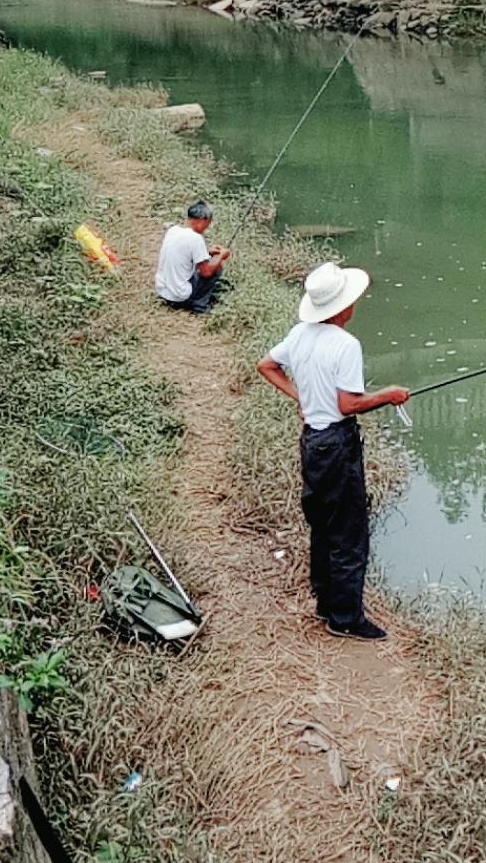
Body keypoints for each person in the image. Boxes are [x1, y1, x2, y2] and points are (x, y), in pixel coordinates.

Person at [257, 261, 409, 641]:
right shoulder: (346, 345)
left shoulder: (299, 334)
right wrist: (388, 396)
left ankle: (325, 597)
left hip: (312, 441)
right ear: (342, 308)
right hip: (337, 444)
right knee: (349, 530)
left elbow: (267, 365)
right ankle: (344, 617)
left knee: (323, 521)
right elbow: (349, 405)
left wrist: (301, 397)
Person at [154, 201, 231, 314]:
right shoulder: (196, 238)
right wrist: (221, 256)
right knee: (216, 267)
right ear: (202, 220)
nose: (206, 228)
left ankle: (190, 298)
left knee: (205, 263)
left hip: (163, 292)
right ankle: (200, 305)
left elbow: (184, 253)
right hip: (179, 297)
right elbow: (206, 272)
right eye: (208, 223)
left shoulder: (173, 230)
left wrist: (208, 252)